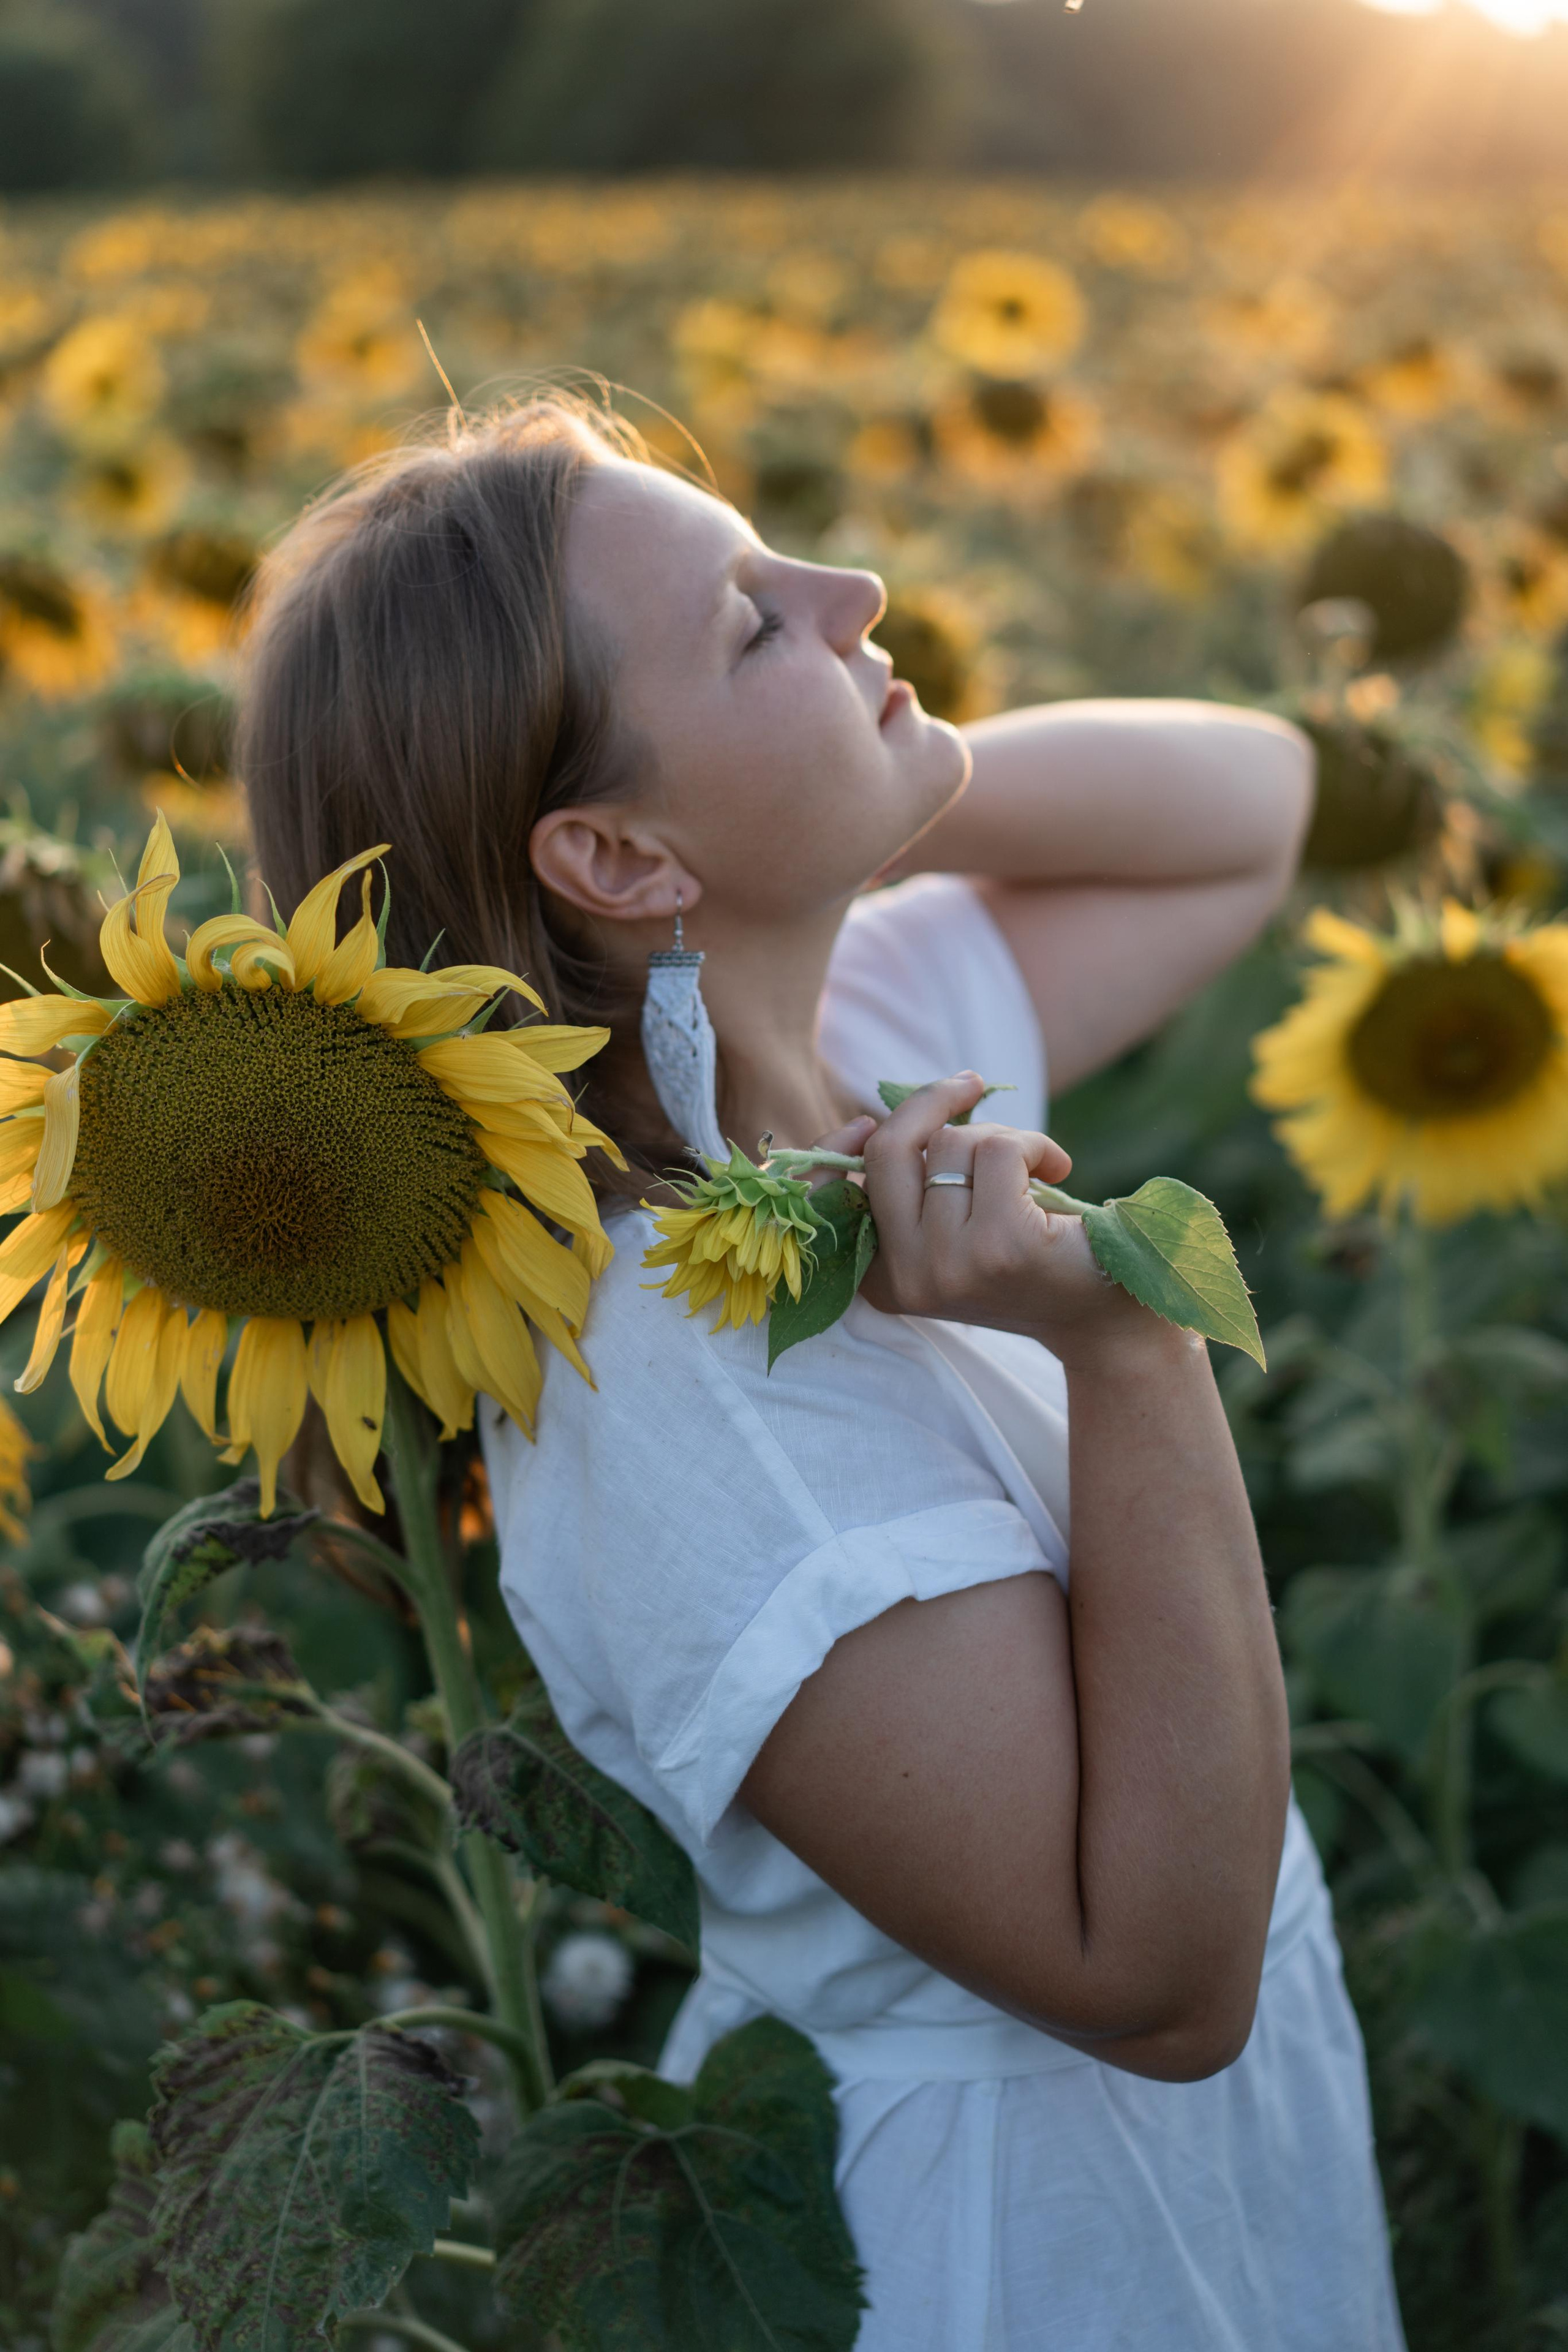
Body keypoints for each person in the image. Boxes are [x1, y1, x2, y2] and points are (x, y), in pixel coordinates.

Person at [239, 392, 1407, 2351]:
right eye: (752, 623)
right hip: (1022, 2251)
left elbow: (1250, 810)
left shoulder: (844, 1032)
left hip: (1177, 2183)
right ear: (613, 848)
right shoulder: (678, 1375)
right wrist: (1131, 1351)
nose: (854, 584)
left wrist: (858, 778)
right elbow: (1156, 1980)